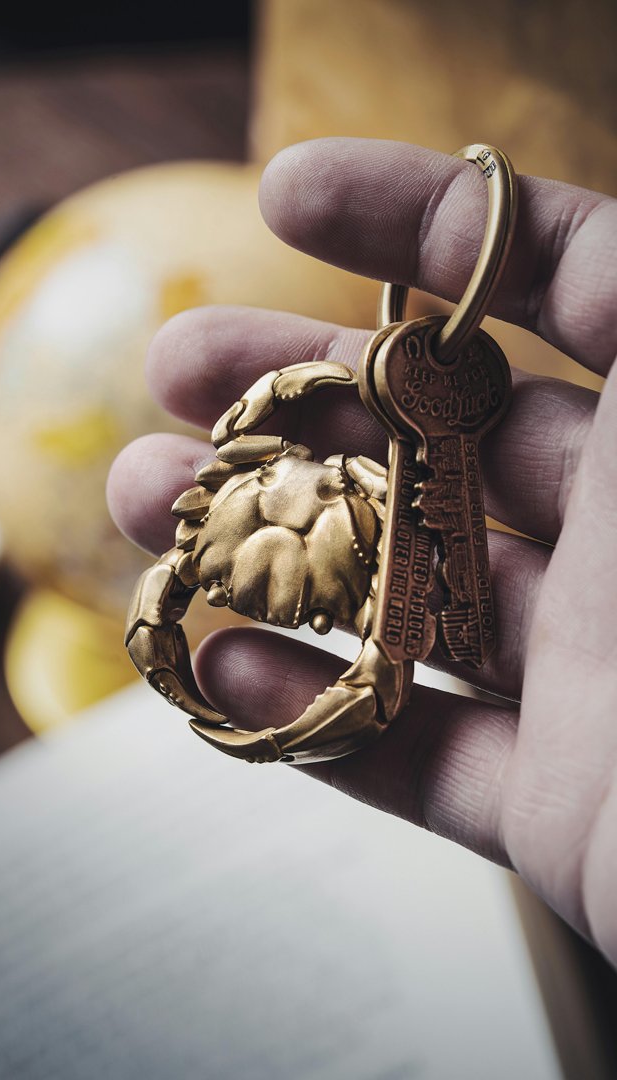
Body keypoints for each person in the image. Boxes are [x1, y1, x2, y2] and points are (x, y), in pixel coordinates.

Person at [107, 138, 617, 968]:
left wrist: (265, 739)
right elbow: (253, 411)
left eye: (312, 616)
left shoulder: (393, 503)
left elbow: (383, 659)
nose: (295, 623)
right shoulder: (257, 459)